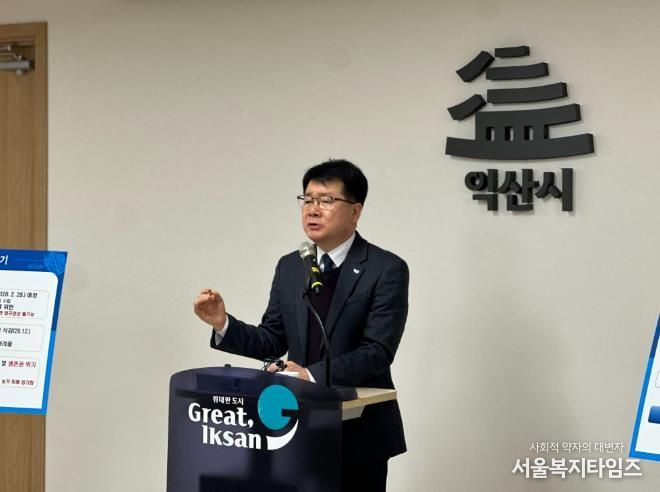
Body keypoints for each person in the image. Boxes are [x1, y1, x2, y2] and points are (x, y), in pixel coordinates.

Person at [193, 159, 408, 492]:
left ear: (355, 211)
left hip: (358, 433)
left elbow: (377, 352)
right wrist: (223, 324)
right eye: (307, 200)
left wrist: (308, 376)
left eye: (326, 200)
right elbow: (272, 339)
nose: (312, 209)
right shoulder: (291, 267)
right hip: (295, 425)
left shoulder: (385, 268)